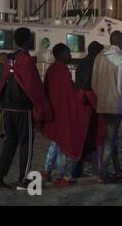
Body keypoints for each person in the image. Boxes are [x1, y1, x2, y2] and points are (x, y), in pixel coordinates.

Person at [0, 28, 53, 190]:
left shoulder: (8, 59)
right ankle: (24, 180)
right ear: (27, 41)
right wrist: (43, 106)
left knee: (9, 144)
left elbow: (2, 83)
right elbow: (34, 86)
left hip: (8, 109)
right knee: (26, 144)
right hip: (23, 110)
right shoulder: (26, 60)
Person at [41, 43, 91, 187]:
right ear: (62, 54)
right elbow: (69, 95)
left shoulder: (51, 70)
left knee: (55, 143)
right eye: (68, 53)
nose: (70, 56)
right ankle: (59, 176)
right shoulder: (63, 71)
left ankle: (46, 170)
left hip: (54, 112)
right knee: (63, 145)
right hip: (63, 114)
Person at [92, 31, 122, 183]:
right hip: (115, 104)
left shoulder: (100, 57)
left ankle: (117, 169)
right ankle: (104, 171)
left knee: (111, 136)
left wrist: (101, 95)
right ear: (121, 42)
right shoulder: (121, 58)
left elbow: (94, 82)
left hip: (102, 103)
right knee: (110, 137)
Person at [71, 41, 105, 179]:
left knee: (81, 140)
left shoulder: (82, 64)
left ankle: (76, 171)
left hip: (81, 105)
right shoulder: (96, 64)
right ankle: (97, 170)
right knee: (97, 138)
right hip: (93, 106)